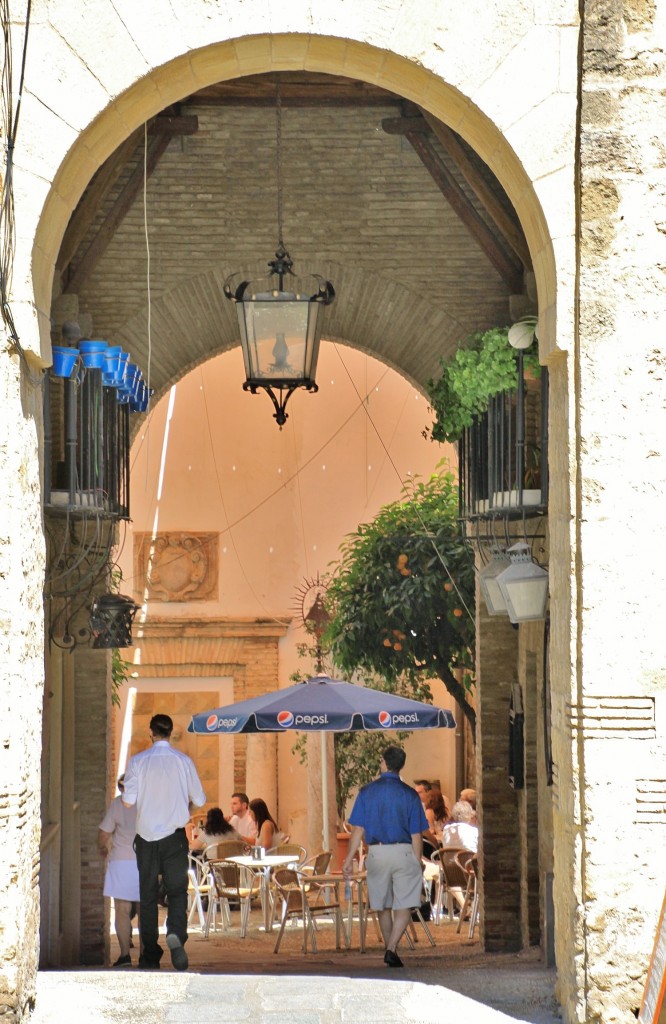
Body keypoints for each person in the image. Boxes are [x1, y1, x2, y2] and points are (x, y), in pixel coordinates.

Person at [122, 713, 206, 972]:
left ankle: (149, 955)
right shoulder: (184, 762)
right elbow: (200, 800)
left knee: (147, 896)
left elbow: (128, 802)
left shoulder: (138, 762)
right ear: (170, 733)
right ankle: (176, 933)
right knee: (177, 891)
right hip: (175, 838)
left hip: (146, 839)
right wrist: (183, 806)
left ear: (151, 732)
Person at [342, 745, 428, 968]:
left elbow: (358, 830)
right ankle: (391, 949)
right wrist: (417, 861)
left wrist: (349, 858)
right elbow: (416, 835)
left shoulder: (366, 792)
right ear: (401, 765)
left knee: (383, 905)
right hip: (403, 851)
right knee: (405, 903)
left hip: (377, 852)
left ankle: (391, 950)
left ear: (383, 762)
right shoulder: (410, 794)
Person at [98, 774, 141, 968]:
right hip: (144, 861)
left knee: (122, 910)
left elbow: (104, 833)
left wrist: (102, 847)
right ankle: (145, 954)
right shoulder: (147, 802)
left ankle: (125, 955)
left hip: (121, 861)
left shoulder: (117, 804)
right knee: (144, 910)